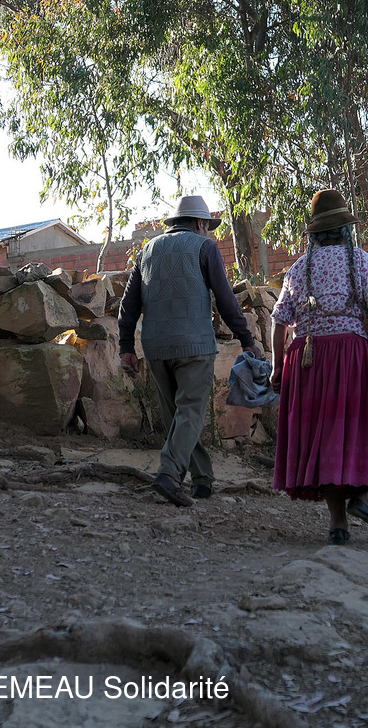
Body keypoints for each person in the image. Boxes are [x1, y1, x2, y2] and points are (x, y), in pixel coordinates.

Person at [270, 189, 368, 545]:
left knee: (324, 440)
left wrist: (277, 368)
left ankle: (338, 524)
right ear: (345, 230)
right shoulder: (361, 262)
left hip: (308, 361)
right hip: (353, 357)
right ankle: (363, 497)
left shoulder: (298, 268)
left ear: (316, 233)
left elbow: (278, 320)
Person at [118, 195, 263, 507]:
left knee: (179, 417)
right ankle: (170, 475)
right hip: (194, 345)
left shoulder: (147, 250)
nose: (207, 231)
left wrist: (126, 347)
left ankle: (202, 479)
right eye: (207, 226)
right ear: (200, 223)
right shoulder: (205, 247)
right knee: (190, 414)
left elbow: (128, 305)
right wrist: (246, 339)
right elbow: (226, 299)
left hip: (156, 347)